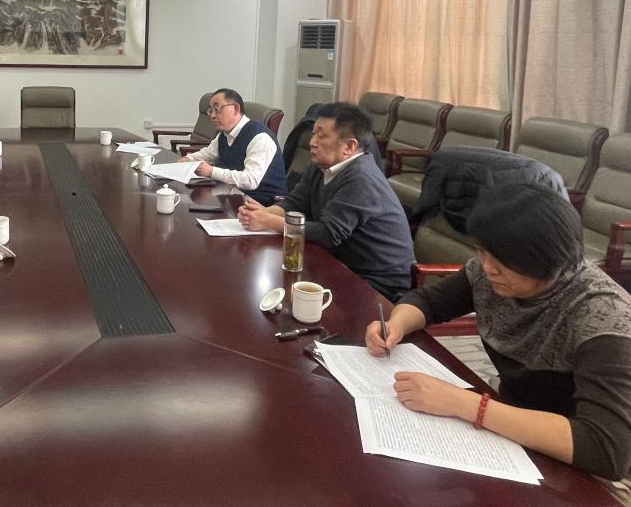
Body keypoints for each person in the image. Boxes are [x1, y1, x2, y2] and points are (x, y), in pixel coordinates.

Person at [365, 183, 631, 492]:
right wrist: (395, 325)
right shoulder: (489, 274)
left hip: (578, 470)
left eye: (502, 259)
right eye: (482, 251)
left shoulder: (603, 315)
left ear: (548, 257)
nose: (488, 268)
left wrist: (464, 404)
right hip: (509, 427)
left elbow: (606, 449)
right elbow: (428, 302)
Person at [238, 101, 413, 299]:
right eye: (313, 134)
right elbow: (295, 202)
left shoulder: (361, 178)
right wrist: (262, 213)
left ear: (349, 146)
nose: (312, 142)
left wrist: (269, 221)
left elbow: (328, 234)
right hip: (337, 263)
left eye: (321, 136)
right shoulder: (320, 165)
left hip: (376, 283)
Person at [179, 88, 284, 205]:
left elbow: (251, 180)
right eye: (211, 110)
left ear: (236, 108)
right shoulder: (224, 135)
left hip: (264, 204)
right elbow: (207, 155)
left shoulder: (260, 137)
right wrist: (188, 159)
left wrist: (211, 171)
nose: (212, 115)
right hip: (233, 196)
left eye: (217, 109)